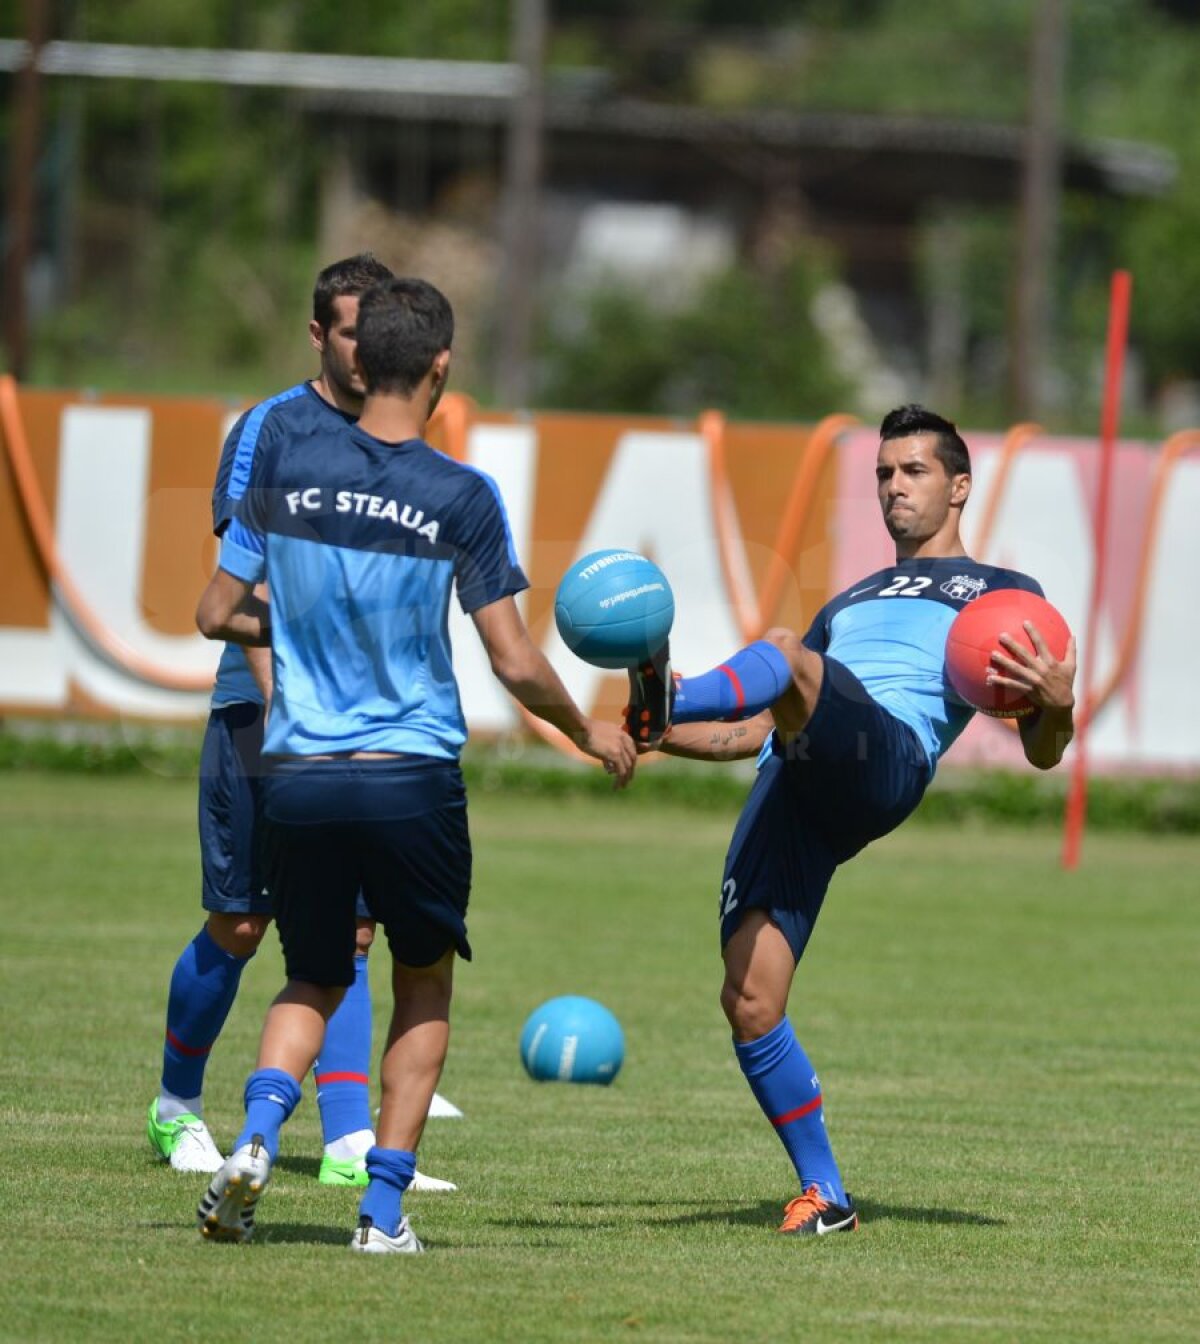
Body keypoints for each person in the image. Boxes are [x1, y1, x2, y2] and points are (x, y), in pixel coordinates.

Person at [192, 276, 636, 1252]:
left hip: (299, 775)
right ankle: (382, 1212)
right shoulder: (459, 495)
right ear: (440, 367)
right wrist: (591, 732)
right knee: (421, 978)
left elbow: (215, 614)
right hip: (409, 778)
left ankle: (258, 1139)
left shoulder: (285, 475)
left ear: (359, 357)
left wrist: (304, 630)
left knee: (310, 977)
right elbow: (514, 660)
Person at [626, 404, 1076, 1236]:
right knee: (750, 1000)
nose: (894, 488)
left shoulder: (1007, 595)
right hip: (794, 780)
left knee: (787, 651)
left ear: (959, 486)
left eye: (914, 471)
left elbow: (1044, 750)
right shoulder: (850, 600)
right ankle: (826, 1195)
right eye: (883, 473)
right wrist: (645, 736)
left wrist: (1059, 704)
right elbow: (755, 730)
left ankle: (670, 689)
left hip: (886, 757)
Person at [148, 254, 453, 1192]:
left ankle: (348, 1140)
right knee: (241, 923)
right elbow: (250, 590)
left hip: (361, 735)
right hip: (261, 711)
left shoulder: (393, 442)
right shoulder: (272, 431)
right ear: (320, 335)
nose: (370, 350)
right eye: (354, 331)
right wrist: (289, 706)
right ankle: (176, 1107)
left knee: (351, 934)